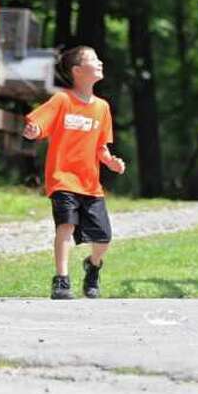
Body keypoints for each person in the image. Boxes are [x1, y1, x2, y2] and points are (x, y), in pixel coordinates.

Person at [23, 46, 125, 300]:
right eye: (93, 59)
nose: (100, 62)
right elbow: (38, 123)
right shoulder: (62, 100)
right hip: (62, 179)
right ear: (78, 71)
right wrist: (34, 130)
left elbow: (101, 146)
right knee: (65, 227)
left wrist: (110, 161)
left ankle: (93, 266)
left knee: (104, 239)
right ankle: (61, 280)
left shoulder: (102, 107)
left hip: (90, 184)